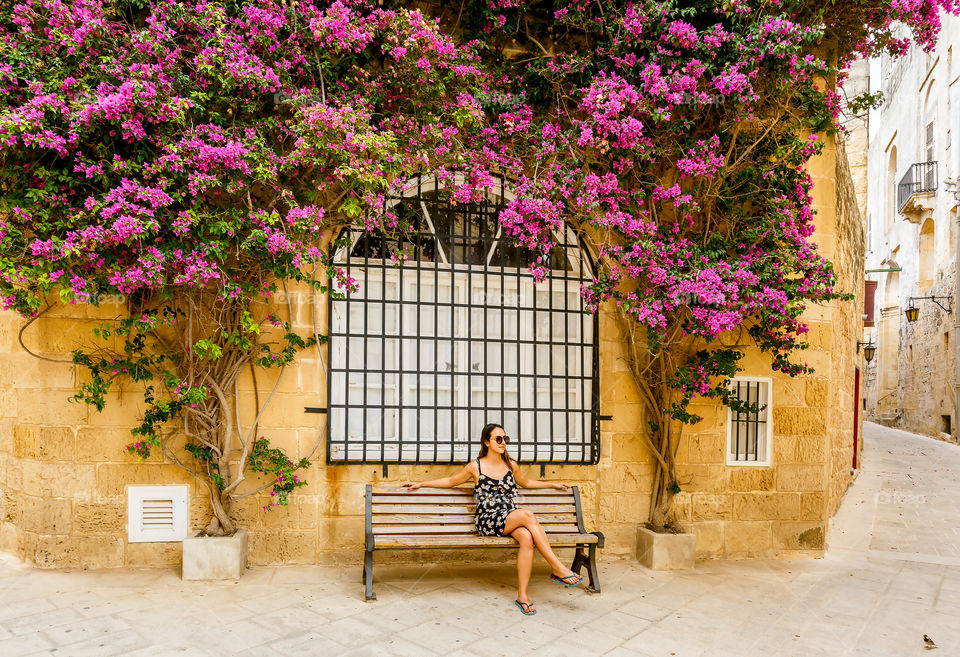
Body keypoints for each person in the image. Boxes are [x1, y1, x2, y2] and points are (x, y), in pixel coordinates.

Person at [401, 422, 584, 616]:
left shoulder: (511, 464)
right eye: (498, 439)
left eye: (505, 438)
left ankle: (522, 596)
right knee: (527, 514)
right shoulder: (475, 466)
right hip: (488, 519)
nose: (503, 442)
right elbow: (451, 481)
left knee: (526, 538)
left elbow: (526, 482)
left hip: (509, 516)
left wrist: (553, 484)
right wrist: (421, 483)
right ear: (487, 442)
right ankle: (557, 567)